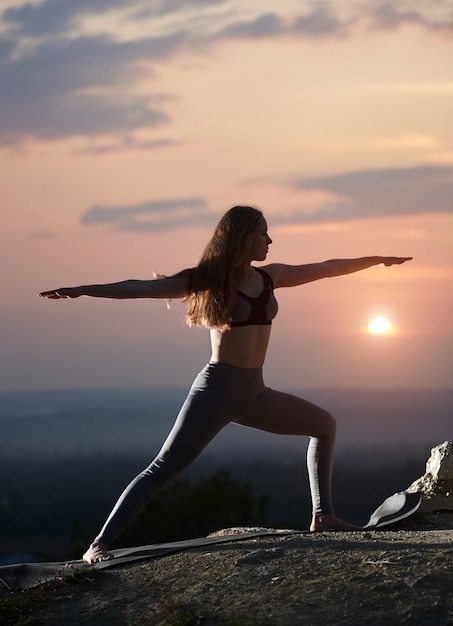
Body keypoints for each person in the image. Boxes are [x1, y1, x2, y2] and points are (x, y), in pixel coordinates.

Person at [39, 205, 412, 563]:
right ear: (244, 237)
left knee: (324, 425)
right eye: (263, 233)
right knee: (162, 469)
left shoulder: (271, 276)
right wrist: (85, 289)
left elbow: (327, 268)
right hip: (216, 391)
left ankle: (323, 516)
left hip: (254, 393)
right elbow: (140, 288)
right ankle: (98, 545)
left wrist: (376, 259)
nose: (270, 241)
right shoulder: (209, 280)